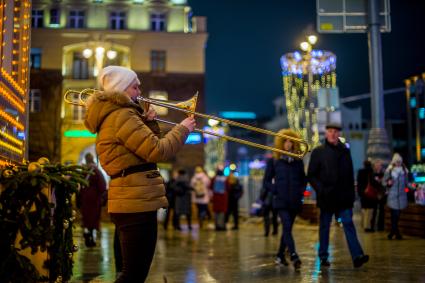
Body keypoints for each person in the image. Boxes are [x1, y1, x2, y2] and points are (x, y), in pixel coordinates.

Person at [84, 65, 196, 282]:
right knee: (134, 275)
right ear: (122, 89)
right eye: (135, 87)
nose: (139, 91)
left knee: (133, 273)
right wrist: (183, 129)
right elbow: (158, 150)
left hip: (134, 197)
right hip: (135, 200)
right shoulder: (122, 115)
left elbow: (144, 152)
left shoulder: (119, 115)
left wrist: (148, 122)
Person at [307, 123, 369, 268]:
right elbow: (311, 175)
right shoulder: (318, 152)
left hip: (343, 197)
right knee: (325, 227)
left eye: (335, 131)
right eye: (330, 131)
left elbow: (348, 176)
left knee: (348, 224)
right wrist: (321, 190)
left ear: (338, 134)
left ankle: (357, 256)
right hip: (327, 197)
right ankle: (323, 256)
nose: (333, 134)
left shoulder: (345, 151)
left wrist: (351, 196)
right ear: (326, 133)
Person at [263, 129, 306, 269]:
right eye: (285, 141)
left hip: (294, 200)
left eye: (291, 141)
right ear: (281, 143)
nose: (288, 144)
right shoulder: (274, 161)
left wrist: (300, 193)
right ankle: (293, 254)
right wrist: (276, 190)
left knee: (287, 230)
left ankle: (280, 255)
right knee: (286, 226)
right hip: (280, 200)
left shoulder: (298, 162)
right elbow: (266, 181)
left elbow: (303, 180)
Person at [79, 152, 107, 247]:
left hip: (84, 198)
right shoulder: (96, 171)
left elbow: (79, 185)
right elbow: (103, 186)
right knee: (94, 218)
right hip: (95, 199)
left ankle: (87, 232)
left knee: (86, 218)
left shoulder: (83, 171)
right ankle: (93, 237)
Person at [383, 153, 408, 240]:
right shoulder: (389, 170)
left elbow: (407, 184)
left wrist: (414, 187)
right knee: (395, 214)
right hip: (392, 196)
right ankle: (396, 233)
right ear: (394, 161)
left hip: (402, 196)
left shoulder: (404, 170)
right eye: (396, 161)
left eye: (399, 161)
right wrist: (388, 183)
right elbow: (383, 182)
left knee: (396, 215)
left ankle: (393, 232)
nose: (398, 163)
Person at [357, 160, 377, 232]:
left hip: (363, 194)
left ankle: (364, 225)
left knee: (364, 210)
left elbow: (359, 183)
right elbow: (373, 182)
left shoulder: (360, 172)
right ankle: (367, 227)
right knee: (369, 210)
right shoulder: (370, 172)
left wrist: (361, 192)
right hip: (369, 193)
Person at [211, 167, 228, 231]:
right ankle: (222, 226)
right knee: (222, 213)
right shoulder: (225, 180)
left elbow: (210, 186)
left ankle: (217, 226)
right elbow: (228, 188)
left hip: (216, 198)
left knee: (216, 213)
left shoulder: (214, 179)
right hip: (223, 198)